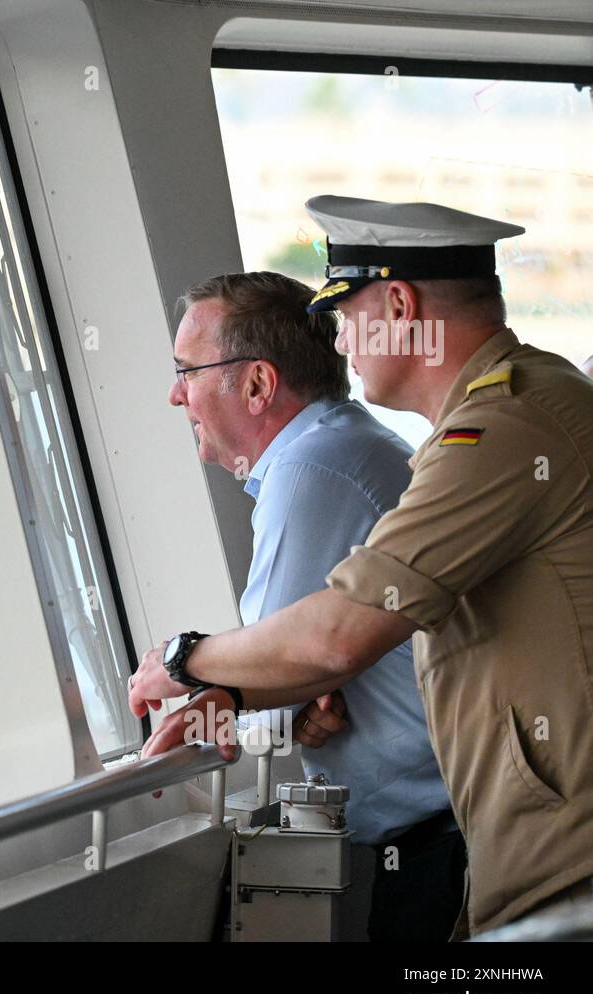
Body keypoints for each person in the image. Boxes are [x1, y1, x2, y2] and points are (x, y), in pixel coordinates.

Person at [131, 195, 593, 939]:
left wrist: (190, 662)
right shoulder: (499, 418)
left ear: (399, 305)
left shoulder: (505, 429)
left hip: (565, 858)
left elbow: (335, 637)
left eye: (345, 314)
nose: (339, 342)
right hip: (530, 847)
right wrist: (287, 689)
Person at [166, 271, 459, 939]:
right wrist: (287, 708)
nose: (175, 394)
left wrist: (203, 676)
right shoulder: (343, 444)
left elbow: (274, 676)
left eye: (187, 370)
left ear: (258, 385)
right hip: (438, 840)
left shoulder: (311, 469)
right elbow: (284, 688)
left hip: (442, 851)